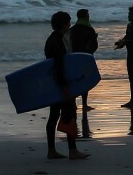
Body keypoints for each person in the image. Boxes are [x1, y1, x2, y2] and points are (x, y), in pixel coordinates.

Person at [44, 11, 90, 160]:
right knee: (69, 115)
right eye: (68, 22)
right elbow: (58, 66)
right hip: (61, 84)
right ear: (64, 24)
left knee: (54, 116)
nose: (70, 25)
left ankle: (52, 150)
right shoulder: (57, 42)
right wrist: (64, 88)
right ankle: (72, 150)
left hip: (54, 83)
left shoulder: (54, 39)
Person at [70, 9, 99, 112]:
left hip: (73, 58)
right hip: (85, 57)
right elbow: (94, 46)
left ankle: (73, 104)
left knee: (74, 80)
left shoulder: (72, 29)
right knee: (85, 80)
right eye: (88, 15)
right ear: (86, 17)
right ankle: (84, 104)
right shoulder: (90, 30)